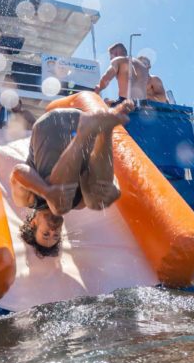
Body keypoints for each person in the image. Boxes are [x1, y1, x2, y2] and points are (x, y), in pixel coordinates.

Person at [10, 101, 133, 254]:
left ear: (33, 224)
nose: (53, 231)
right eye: (56, 236)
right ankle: (105, 130)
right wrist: (112, 190)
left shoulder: (27, 200)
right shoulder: (78, 203)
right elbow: (107, 181)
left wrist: (47, 191)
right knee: (96, 201)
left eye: (46, 234)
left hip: (51, 126)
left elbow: (18, 171)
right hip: (80, 119)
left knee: (59, 206)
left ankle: (84, 133)